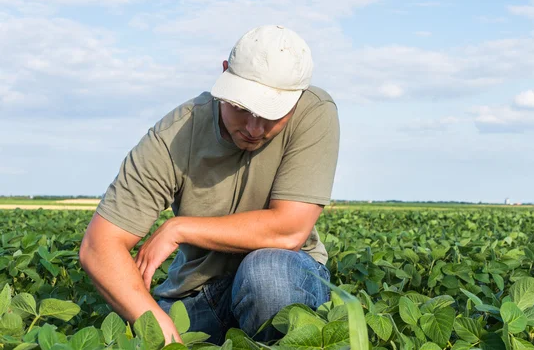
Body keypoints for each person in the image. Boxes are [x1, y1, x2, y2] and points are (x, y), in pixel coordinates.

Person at [79, 25, 340, 345]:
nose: (254, 129)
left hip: (284, 279)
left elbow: (289, 229)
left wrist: (180, 228)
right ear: (225, 74)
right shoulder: (174, 135)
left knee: (267, 274)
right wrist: (159, 329)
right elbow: (99, 246)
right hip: (200, 296)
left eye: (272, 115)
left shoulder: (314, 111)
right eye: (242, 108)